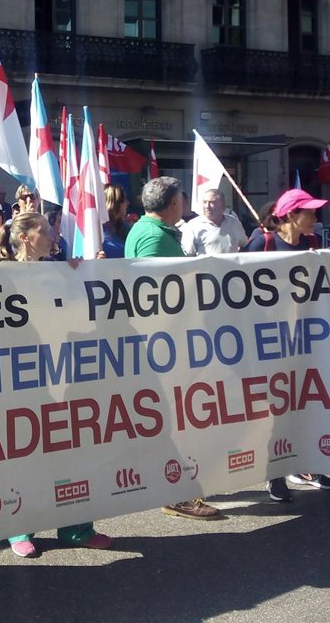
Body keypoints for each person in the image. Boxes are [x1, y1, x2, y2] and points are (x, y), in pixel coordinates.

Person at [0, 212, 112, 558]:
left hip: (66, 375)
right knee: (26, 453)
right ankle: (19, 528)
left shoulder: (60, 270)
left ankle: (76, 527)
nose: (52, 235)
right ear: (25, 237)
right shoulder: (0, 275)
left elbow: (80, 314)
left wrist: (83, 274)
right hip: (24, 379)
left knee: (71, 452)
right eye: (44, 230)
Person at [126, 177, 222, 520]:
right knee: (172, 421)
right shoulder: (153, 237)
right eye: (182, 198)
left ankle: (177, 489)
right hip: (163, 344)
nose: (185, 203)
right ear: (172, 204)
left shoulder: (154, 231)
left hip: (167, 341)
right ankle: (176, 493)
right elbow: (153, 294)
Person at [245, 188, 330, 500]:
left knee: (310, 403)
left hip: (305, 339)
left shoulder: (312, 243)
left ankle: (312, 466)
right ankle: (276, 475)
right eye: (309, 212)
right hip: (270, 342)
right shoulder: (263, 242)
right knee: (278, 410)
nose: (315, 217)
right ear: (290, 215)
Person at [124, 176, 184, 259]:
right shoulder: (153, 237)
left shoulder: (144, 228)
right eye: (181, 200)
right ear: (174, 203)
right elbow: (147, 267)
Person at [181, 188, 247, 256]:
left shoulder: (233, 223)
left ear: (223, 205)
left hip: (231, 263)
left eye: (212, 202)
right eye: (204, 202)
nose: (207, 206)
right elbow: (188, 254)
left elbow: (245, 246)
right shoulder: (193, 225)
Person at [102, 184, 131, 259]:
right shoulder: (97, 233)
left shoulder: (124, 228)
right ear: (116, 203)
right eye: (124, 199)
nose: (127, 203)